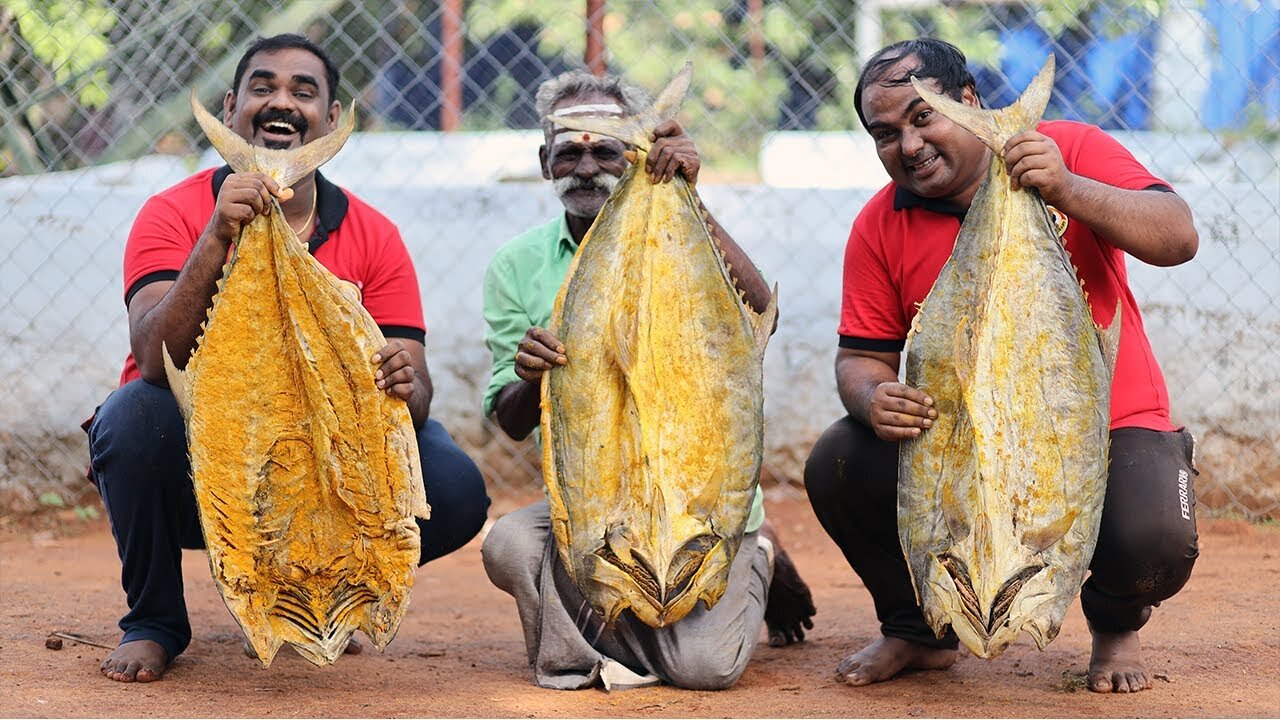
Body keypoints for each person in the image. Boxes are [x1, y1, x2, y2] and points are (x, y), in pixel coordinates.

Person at [85, 33, 490, 683]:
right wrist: (218, 234)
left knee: (453, 485)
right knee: (132, 416)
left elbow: (414, 399)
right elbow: (154, 358)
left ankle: (318, 599)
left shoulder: (374, 234)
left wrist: (406, 379)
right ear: (232, 106)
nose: (282, 102)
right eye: (263, 87)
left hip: (313, 476)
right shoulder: (173, 212)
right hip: (199, 471)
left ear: (332, 120)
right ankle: (155, 621)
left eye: (305, 91)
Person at [804, 38, 1200, 694]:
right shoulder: (879, 224)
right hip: (961, 445)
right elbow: (860, 359)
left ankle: (1116, 620)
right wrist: (873, 395)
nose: (908, 145)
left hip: (1106, 424)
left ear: (968, 102)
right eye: (885, 133)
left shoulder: (1065, 148)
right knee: (839, 459)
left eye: (922, 116)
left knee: (1153, 539)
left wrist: (1068, 189)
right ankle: (918, 628)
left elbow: (1177, 236)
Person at [479, 69, 816, 691]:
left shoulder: (691, 228)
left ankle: (755, 551)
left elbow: (761, 316)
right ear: (545, 161)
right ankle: (596, 654)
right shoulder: (515, 265)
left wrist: (692, 196)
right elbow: (509, 417)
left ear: (633, 152)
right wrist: (532, 376)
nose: (586, 166)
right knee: (508, 545)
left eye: (605, 149)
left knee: (705, 671)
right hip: (594, 510)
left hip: (702, 512)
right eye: (569, 151)